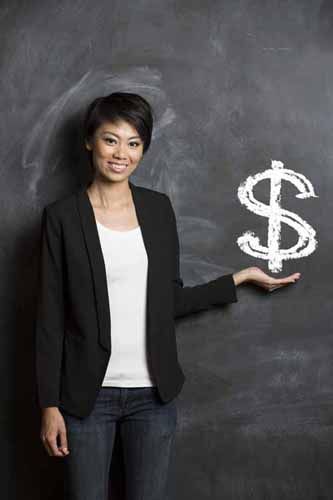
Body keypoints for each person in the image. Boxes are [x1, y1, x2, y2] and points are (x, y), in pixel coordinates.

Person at [35, 92, 300, 500]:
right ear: (89, 141)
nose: (121, 153)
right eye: (110, 139)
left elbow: (168, 302)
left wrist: (239, 279)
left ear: (144, 148)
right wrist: (48, 405)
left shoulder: (158, 210)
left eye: (134, 143)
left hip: (152, 398)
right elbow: (50, 319)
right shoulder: (62, 217)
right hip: (86, 400)